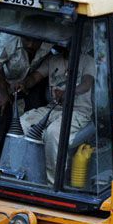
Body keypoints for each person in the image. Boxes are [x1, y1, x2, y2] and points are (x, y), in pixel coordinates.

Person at [16, 43, 94, 185]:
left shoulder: (87, 61)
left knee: (53, 133)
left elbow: (86, 84)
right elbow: (35, 77)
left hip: (78, 111)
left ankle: (52, 182)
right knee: (22, 123)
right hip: (53, 108)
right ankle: (21, 174)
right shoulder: (53, 60)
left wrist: (69, 92)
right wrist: (24, 84)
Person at [0, 32, 53, 116]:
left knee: (34, 110)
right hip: (6, 79)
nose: (30, 45)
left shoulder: (50, 40)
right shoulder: (8, 39)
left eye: (35, 41)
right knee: (2, 107)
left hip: (33, 78)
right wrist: (3, 93)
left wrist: (26, 82)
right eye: (27, 40)